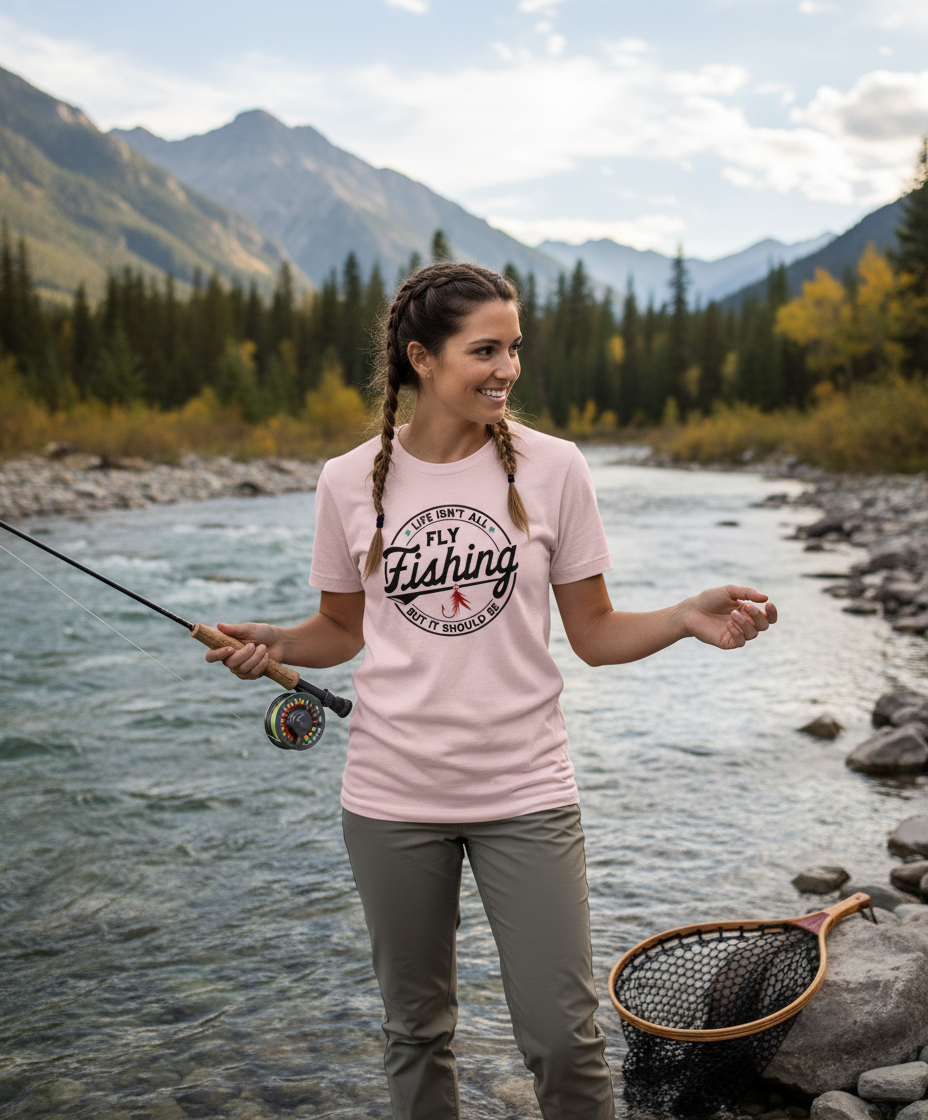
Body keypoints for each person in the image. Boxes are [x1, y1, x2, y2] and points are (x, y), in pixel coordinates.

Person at [206, 261, 777, 1120]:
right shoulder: (345, 481)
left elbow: (593, 633)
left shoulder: (555, 468)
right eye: (485, 349)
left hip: (527, 792)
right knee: (416, 1031)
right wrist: (275, 644)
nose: (508, 366)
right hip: (391, 798)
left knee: (561, 1034)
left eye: (515, 346)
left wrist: (684, 616)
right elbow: (341, 632)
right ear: (421, 360)